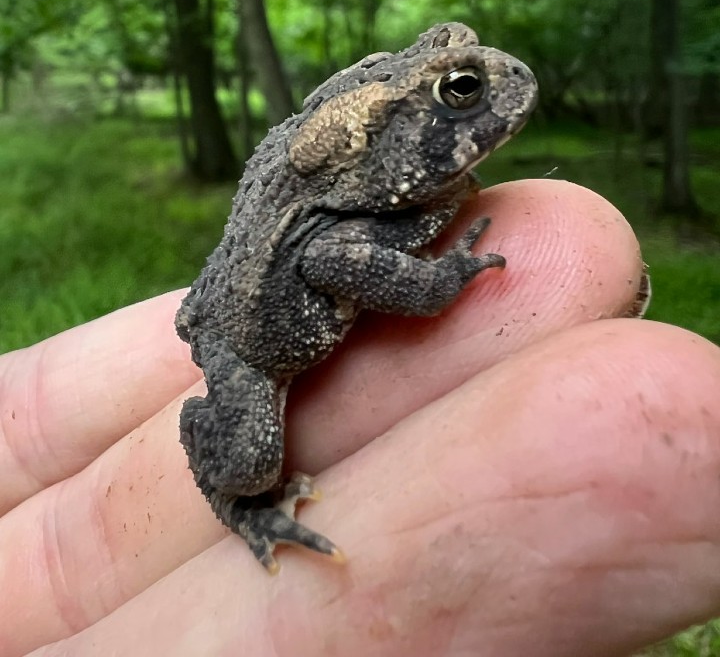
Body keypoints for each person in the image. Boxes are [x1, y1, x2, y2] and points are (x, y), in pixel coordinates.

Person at [1, 180, 719, 657]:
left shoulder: (374, 182)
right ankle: (238, 503)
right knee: (250, 462)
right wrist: (437, 283)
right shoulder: (353, 203)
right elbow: (335, 258)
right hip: (251, 345)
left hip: (261, 264)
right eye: (459, 96)